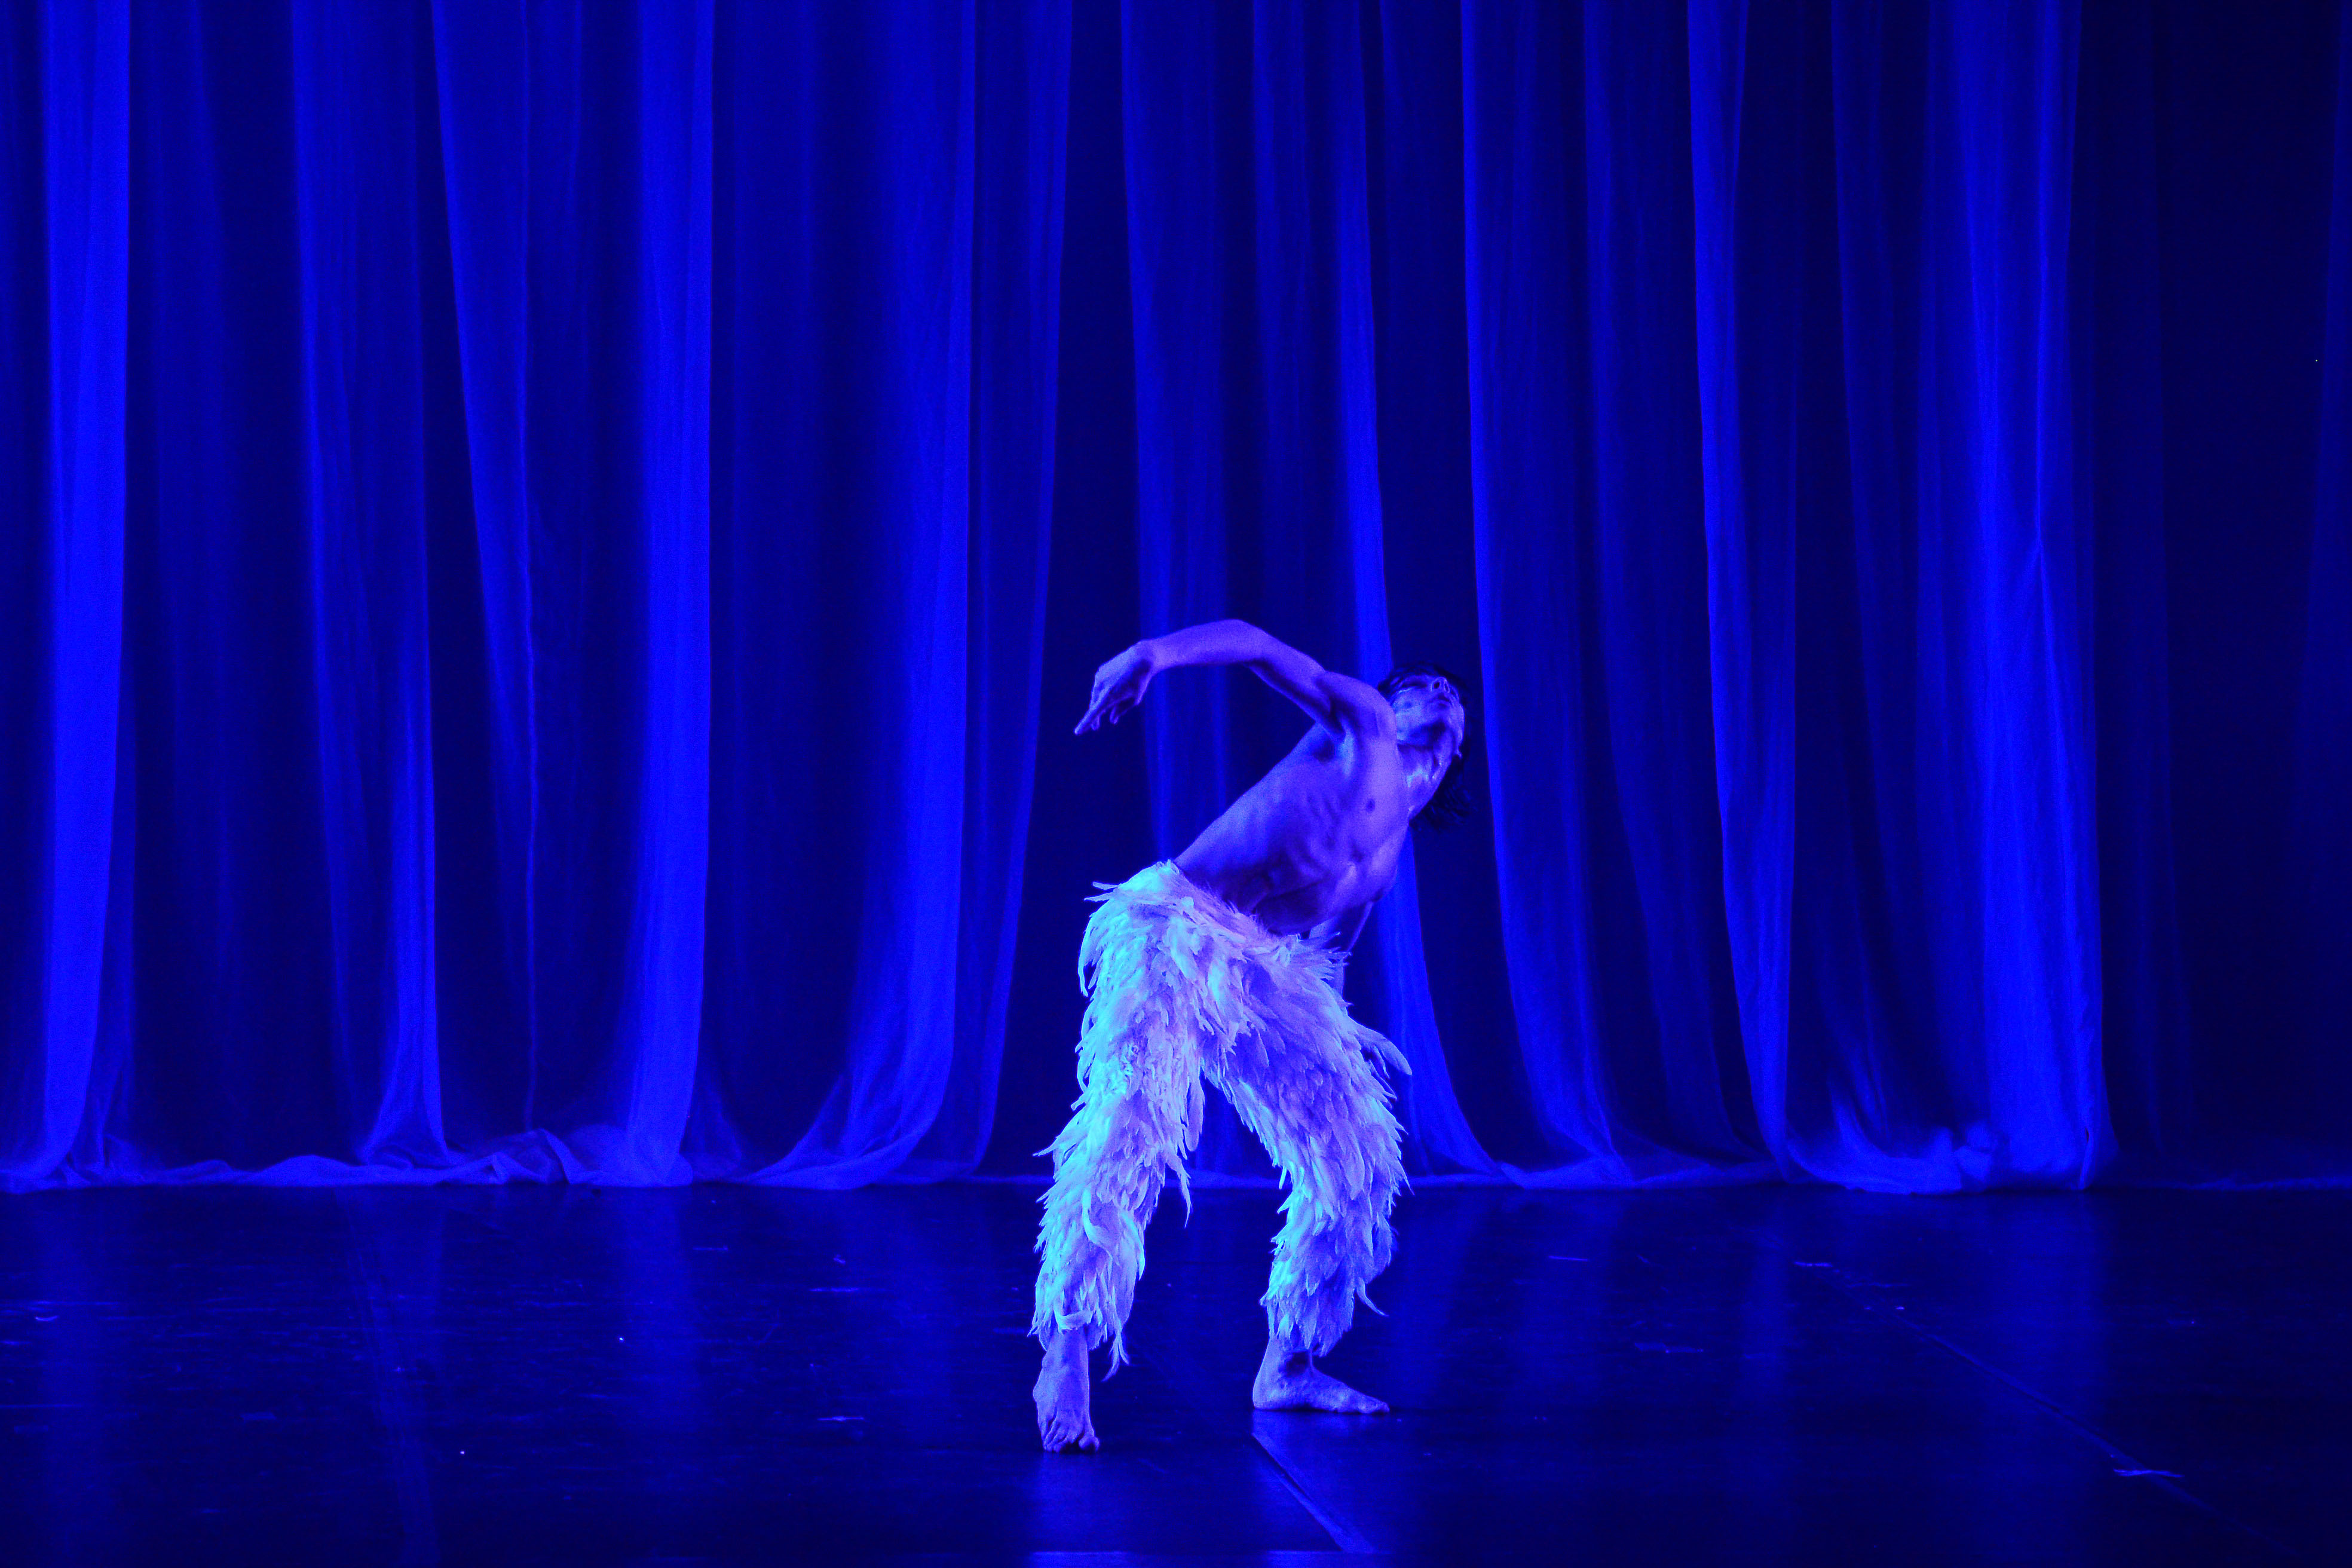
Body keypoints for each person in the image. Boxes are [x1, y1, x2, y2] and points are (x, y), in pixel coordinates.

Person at [1031, 618, 1471, 1453]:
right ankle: (1067, 1345)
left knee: (1357, 1152)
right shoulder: (1363, 724)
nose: (1439, 691)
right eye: (1420, 683)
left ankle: (1288, 1365)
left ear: (1459, 749)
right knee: (1135, 1125)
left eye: (1453, 694)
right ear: (1391, 702)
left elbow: (1327, 960)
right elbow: (1258, 645)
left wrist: (1336, 1042)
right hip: (1176, 923)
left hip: (1264, 966)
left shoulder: (1387, 858)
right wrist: (1149, 655)